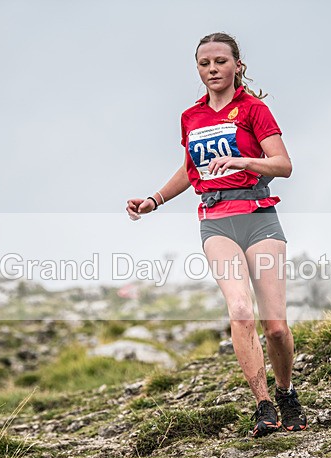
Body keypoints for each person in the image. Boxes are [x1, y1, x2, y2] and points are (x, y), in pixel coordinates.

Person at [126, 32, 307, 437]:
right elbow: (189, 170)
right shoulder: (191, 117)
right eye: (204, 63)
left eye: (220, 62)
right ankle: (263, 405)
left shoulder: (254, 109)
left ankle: (286, 392)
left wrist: (242, 161)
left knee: (276, 327)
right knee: (240, 311)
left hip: (259, 217)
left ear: (237, 66)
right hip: (216, 221)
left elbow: (283, 164)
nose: (212, 69)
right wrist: (154, 200)